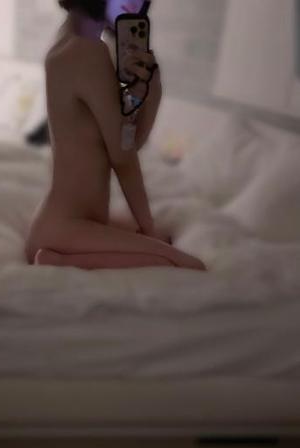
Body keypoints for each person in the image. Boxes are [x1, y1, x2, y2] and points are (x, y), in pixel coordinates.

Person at [24, 0, 206, 271]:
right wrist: (148, 229)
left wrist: (148, 90)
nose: (135, 4)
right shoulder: (88, 53)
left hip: (64, 225)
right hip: (65, 227)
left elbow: (128, 143)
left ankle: (60, 258)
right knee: (188, 264)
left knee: (167, 244)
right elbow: (123, 158)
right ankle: (59, 259)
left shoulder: (69, 43)